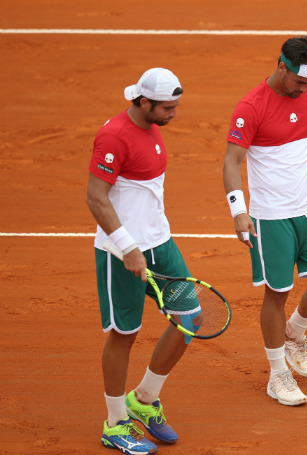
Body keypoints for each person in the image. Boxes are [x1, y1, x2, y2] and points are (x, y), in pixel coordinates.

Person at [223, 36, 307, 406]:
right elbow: (232, 161)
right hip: (272, 218)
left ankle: (294, 333)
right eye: (299, 81)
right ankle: (278, 374)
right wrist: (238, 211)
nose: (305, 89)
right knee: (276, 294)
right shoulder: (251, 107)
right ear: (282, 67)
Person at [86, 67, 192, 454]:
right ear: (144, 102)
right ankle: (115, 424)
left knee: (190, 318)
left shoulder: (153, 127)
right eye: (167, 108)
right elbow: (96, 197)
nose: (173, 114)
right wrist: (129, 247)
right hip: (121, 251)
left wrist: (150, 242)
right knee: (125, 334)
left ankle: (144, 399)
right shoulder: (114, 135)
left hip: (160, 244)